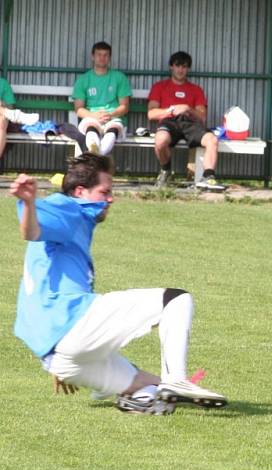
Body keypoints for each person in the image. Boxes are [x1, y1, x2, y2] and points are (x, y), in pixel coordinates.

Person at [9, 153, 227, 416]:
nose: (111, 198)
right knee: (176, 300)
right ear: (80, 191)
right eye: (105, 191)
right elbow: (30, 232)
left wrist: (59, 351)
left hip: (58, 357)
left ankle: (144, 401)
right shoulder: (69, 207)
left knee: (156, 390)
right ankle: (177, 379)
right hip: (70, 324)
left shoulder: (74, 219)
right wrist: (29, 202)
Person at [147, 51, 225, 191]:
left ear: (188, 69)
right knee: (160, 141)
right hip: (169, 122)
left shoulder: (196, 90)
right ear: (171, 67)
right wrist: (170, 111)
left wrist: (187, 108)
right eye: (177, 66)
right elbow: (151, 113)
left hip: (190, 123)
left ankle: (208, 178)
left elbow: (202, 117)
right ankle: (166, 172)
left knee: (212, 140)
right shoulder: (160, 87)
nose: (181, 70)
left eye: (184, 66)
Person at [72, 41, 131, 156]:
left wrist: (111, 115)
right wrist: (94, 115)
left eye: (106, 55)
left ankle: (97, 155)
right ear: (92, 56)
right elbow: (78, 109)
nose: (102, 58)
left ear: (109, 57)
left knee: (112, 131)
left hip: (114, 117)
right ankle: (98, 154)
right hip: (92, 116)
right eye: (99, 54)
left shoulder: (119, 77)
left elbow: (125, 106)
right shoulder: (83, 79)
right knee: (91, 128)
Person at [0, 76, 40, 162]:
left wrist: (2, 103)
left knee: (1, 121)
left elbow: (10, 106)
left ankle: (11, 114)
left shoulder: (3, 83)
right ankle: (16, 116)